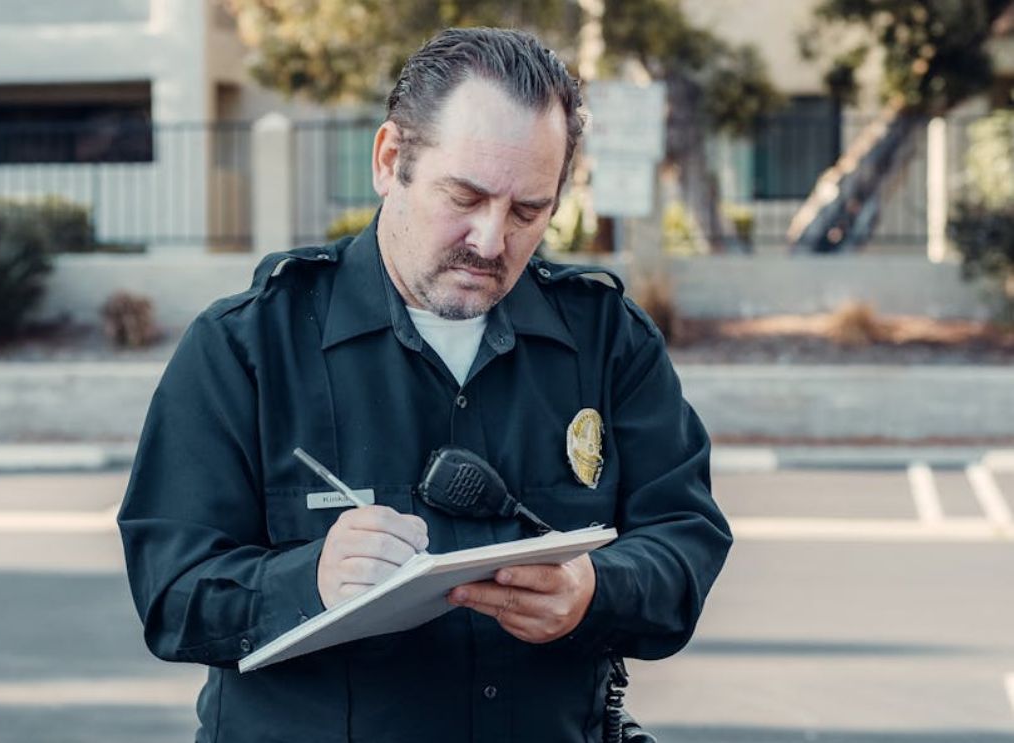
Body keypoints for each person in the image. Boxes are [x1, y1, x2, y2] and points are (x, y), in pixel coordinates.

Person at [118, 26, 731, 743]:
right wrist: (312, 578)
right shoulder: (246, 346)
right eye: (464, 196)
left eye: (527, 210)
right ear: (389, 159)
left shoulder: (606, 340)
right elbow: (171, 593)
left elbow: (682, 537)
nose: (490, 239)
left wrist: (594, 591)